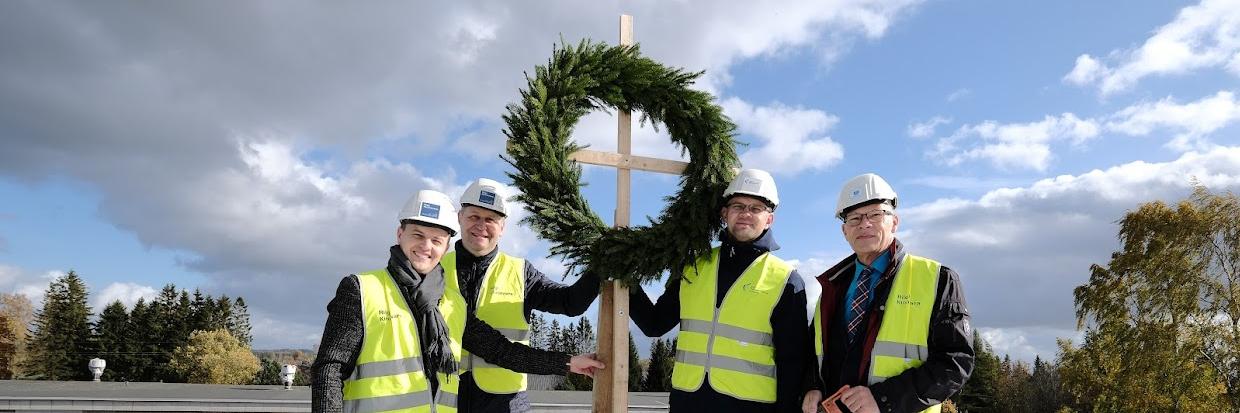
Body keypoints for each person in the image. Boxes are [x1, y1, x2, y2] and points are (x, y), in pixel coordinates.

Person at [311, 189, 603, 413]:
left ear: (445, 245)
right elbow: (330, 368)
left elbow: (502, 352)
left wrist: (567, 362)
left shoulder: (451, 302)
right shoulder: (362, 289)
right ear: (400, 234)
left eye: (436, 240)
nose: (426, 247)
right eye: (417, 235)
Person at [629, 168, 810, 413]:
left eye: (756, 208)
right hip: (687, 403)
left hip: (751, 408)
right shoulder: (694, 266)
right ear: (725, 214)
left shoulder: (785, 279)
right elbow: (654, 324)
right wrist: (624, 276)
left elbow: (793, 361)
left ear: (769, 219)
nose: (745, 213)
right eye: (737, 206)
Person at [801, 173, 974, 413]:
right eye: (855, 218)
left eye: (875, 214)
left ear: (894, 222)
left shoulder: (938, 279)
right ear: (844, 231)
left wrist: (884, 399)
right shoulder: (832, 286)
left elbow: (956, 362)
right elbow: (814, 352)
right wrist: (812, 385)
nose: (864, 224)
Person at [445, 178, 603, 413]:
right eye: (474, 216)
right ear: (460, 217)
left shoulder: (521, 272)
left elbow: (571, 303)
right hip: (444, 400)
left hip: (506, 404)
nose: (481, 226)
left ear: (503, 227)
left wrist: (603, 260)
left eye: (490, 219)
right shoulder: (434, 270)